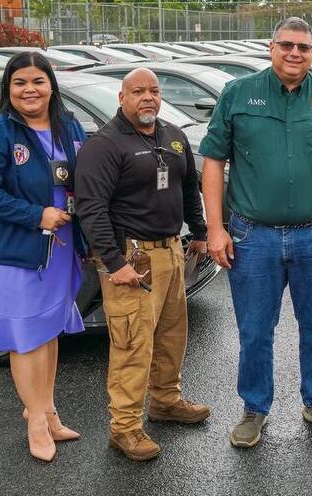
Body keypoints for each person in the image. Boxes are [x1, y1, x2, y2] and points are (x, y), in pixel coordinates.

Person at [200, 17, 312, 447]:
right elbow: (213, 162)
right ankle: (254, 409)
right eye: (287, 45)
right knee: (255, 329)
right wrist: (215, 227)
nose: (295, 53)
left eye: (304, 48)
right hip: (253, 236)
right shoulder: (238, 94)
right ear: (271, 48)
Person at [74, 68, 210, 461]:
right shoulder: (104, 145)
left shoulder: (173, 137)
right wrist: (114, 261)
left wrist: (199, 231)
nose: (147, 97)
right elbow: (91, 208)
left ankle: (165, 401)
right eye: (138, 91)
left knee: (171, 336)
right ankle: (125, 428)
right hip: (132, 260)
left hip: (172, 251)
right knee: (132, 344)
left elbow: (189, 188)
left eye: (154, 90)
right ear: (122, 98)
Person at [0, 51, 89, 463]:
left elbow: (84, 178)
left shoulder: (69, 126)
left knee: (48, 332)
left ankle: (48, 411)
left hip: (60, 248)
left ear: (51, 85)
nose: (29, 90)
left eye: (37, 81)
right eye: (20, 82)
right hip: (14, 253)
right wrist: (36, 215)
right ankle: (35, 420)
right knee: (26, 338)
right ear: (7, 87)